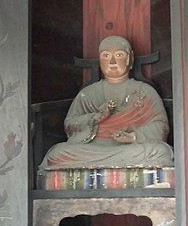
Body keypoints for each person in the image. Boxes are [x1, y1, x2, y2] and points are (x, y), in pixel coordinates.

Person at [39, 35, 173, 169]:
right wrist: (94, 118)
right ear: (100, 60)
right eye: (106, 56)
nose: (113, 62)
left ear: (129, 59)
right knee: (56, 154)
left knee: (161, 152)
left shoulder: (144, 91)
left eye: (119, 55)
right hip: (93, 149)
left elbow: (161, 126)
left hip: (129, 149)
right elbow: (69, 125)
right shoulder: (88, 93)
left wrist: (133, 137)